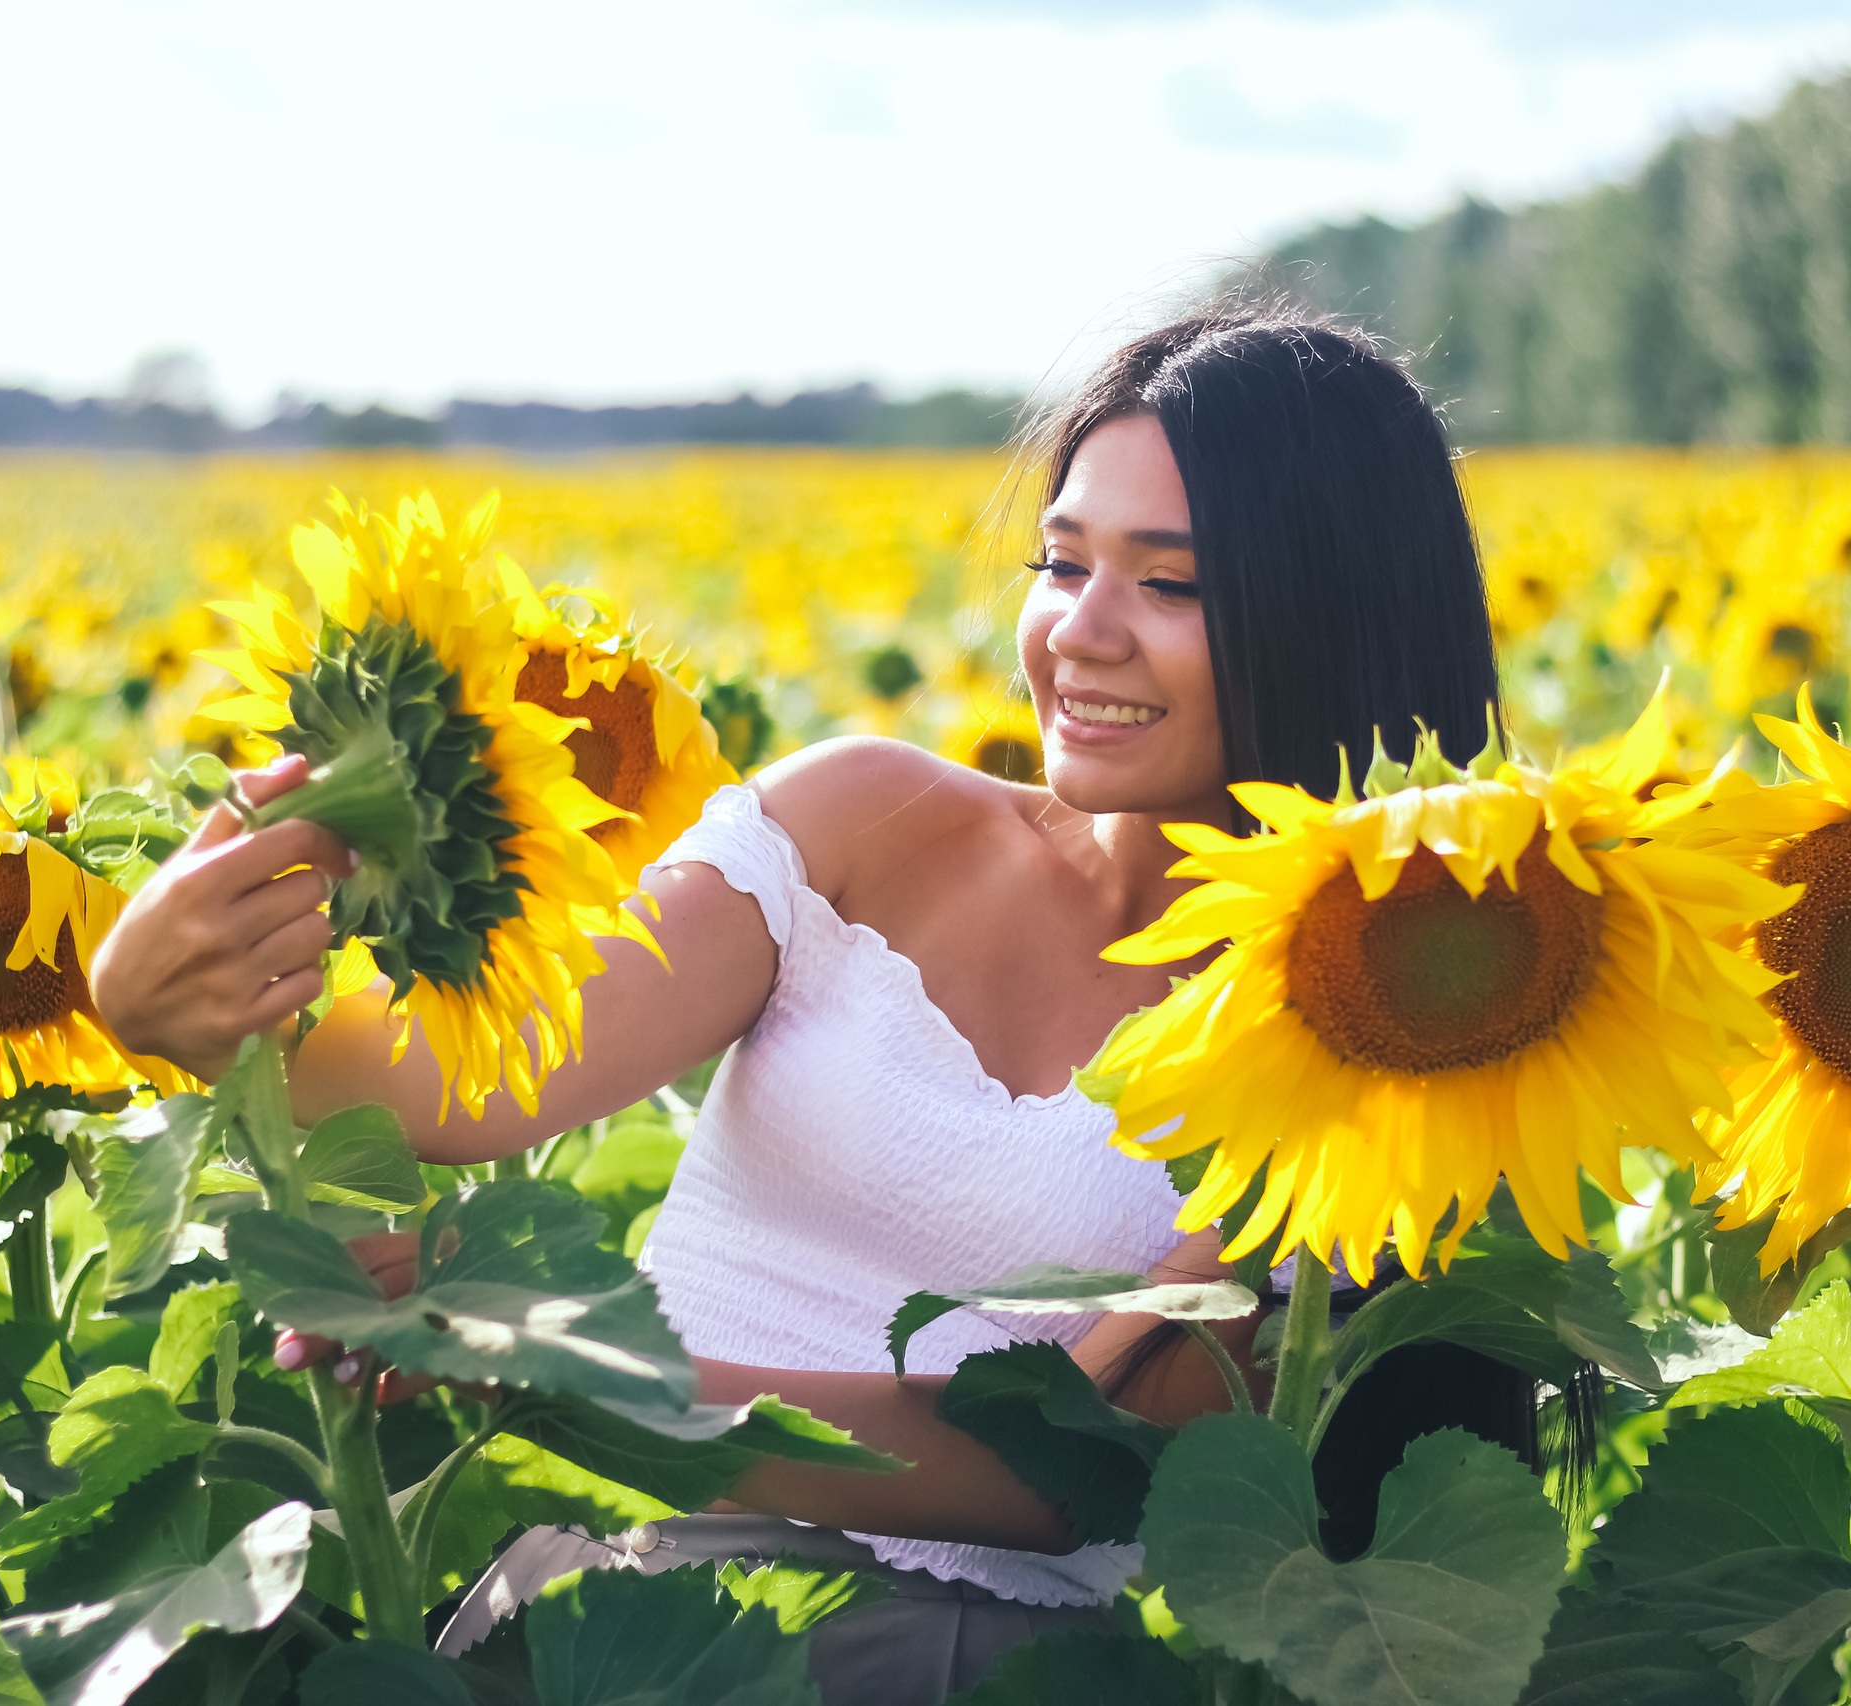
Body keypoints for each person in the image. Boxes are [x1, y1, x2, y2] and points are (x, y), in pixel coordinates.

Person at [90, 307, 1515, 1703]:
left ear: (1335, 618)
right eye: (1063, 561)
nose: (1080, 633)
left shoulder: (1369, 1037)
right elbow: (486, 1074)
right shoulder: (864, 819)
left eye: (1173, 585)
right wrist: (186, 985)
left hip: (969, 1665)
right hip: (627, 1615)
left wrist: (581, 1369)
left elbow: (1073, 1467)